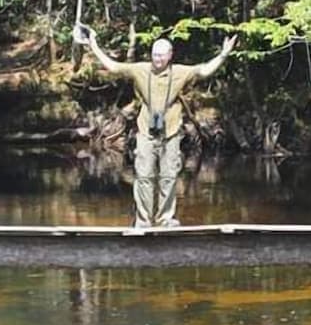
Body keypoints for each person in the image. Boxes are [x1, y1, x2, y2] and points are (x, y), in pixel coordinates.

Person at [75, 25, 237, 227]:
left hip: (171, 131)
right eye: (154, 55)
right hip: (146, 130)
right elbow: (113, 66)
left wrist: (223, 54)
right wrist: (93, 45)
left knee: (168, 176)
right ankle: (143, 221)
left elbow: (204, 70)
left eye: (161, 55)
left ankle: (165, 218)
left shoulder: (180, 72)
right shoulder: (140, 69)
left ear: (169, 55)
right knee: (144, 176)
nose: (157, 59)